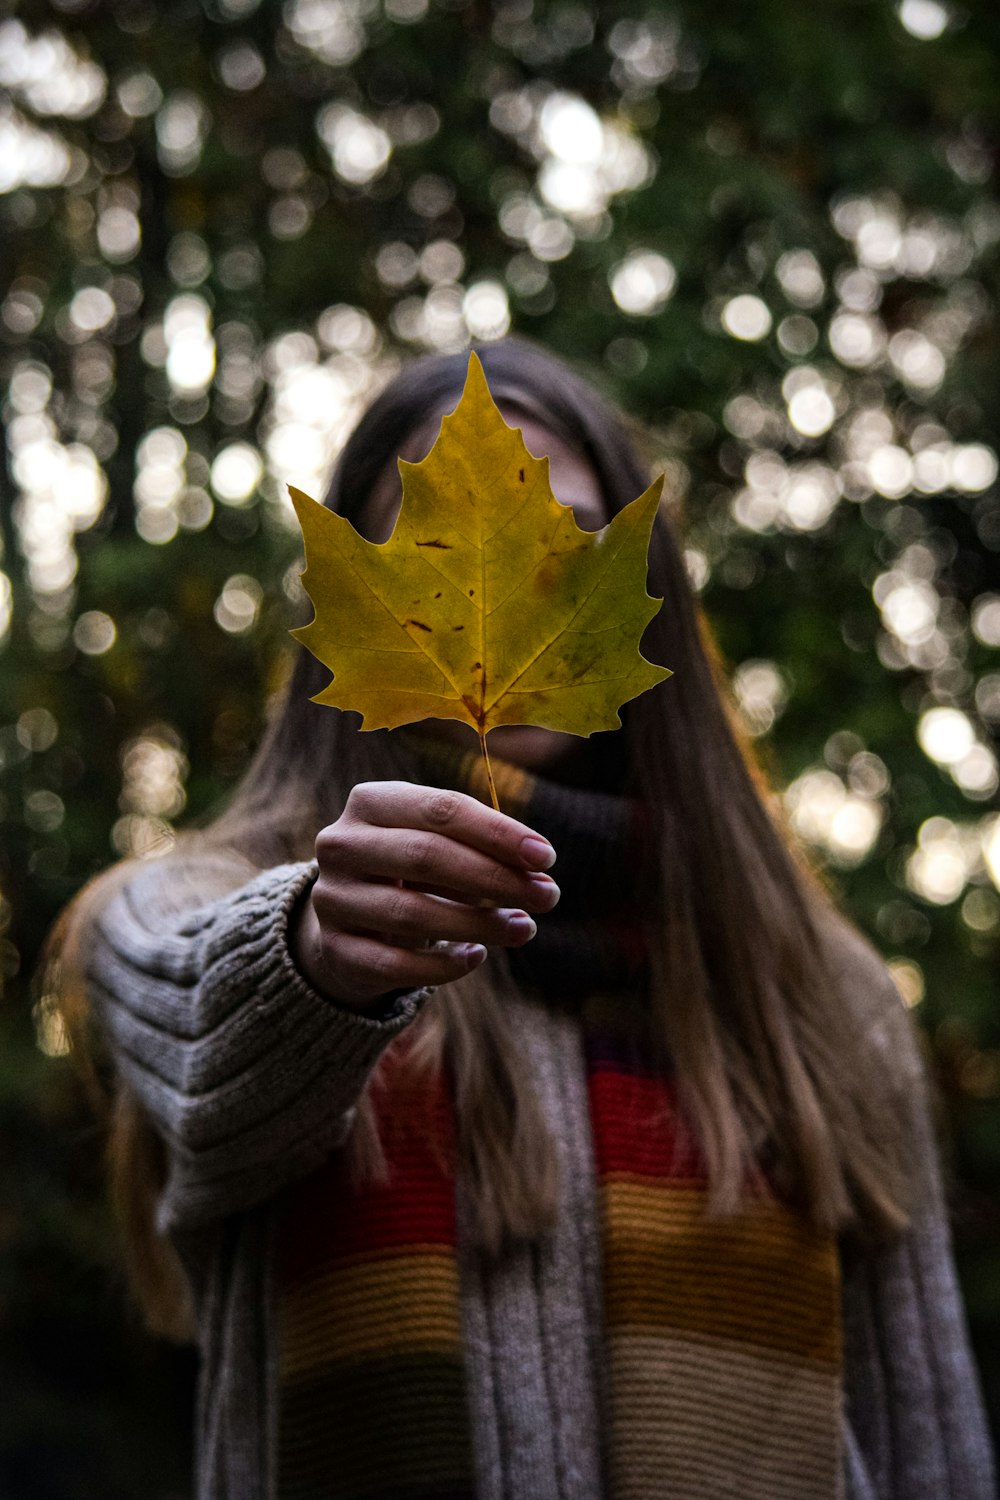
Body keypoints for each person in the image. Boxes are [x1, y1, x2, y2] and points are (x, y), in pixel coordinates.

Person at [57, 338, 995, 1500]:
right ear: (352, 593)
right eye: (421, 535)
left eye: (583, 531)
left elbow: (926, 1433)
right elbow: (207, 1041)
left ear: (646, 586)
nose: (527, 565)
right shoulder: (196, 905)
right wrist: (313, 959)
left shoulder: (814, 986)